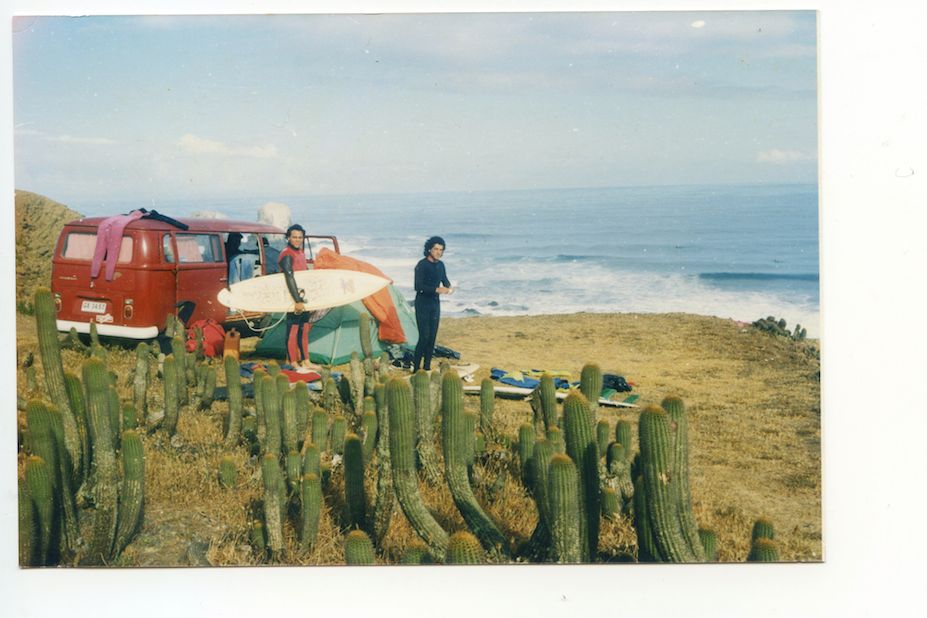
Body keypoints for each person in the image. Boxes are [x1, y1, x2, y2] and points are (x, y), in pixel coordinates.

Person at [278, 224, 324, 372]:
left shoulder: (300, 252)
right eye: (294, 237)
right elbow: (289, 276)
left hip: (303, 298)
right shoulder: (287, 254)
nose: (297, 240)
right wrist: (297, 301)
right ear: (288, 237)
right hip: (293, 298)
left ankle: (305, 361)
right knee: (293, 330)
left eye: (300, 237)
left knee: (303, 330)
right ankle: (293, 363)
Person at [413, 236, 453, 372]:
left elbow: (445, 280)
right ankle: (416, 369)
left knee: (432, 337)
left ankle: (427, 367)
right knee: (424, 337)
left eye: (441, 250)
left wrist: (450, 287)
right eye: (436, 249)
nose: (438, 252)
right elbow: (418, 286)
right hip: (422, 303)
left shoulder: (441, 265)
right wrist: (437, 289)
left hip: (435, 304)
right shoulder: (421, 265)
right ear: (429, 249)